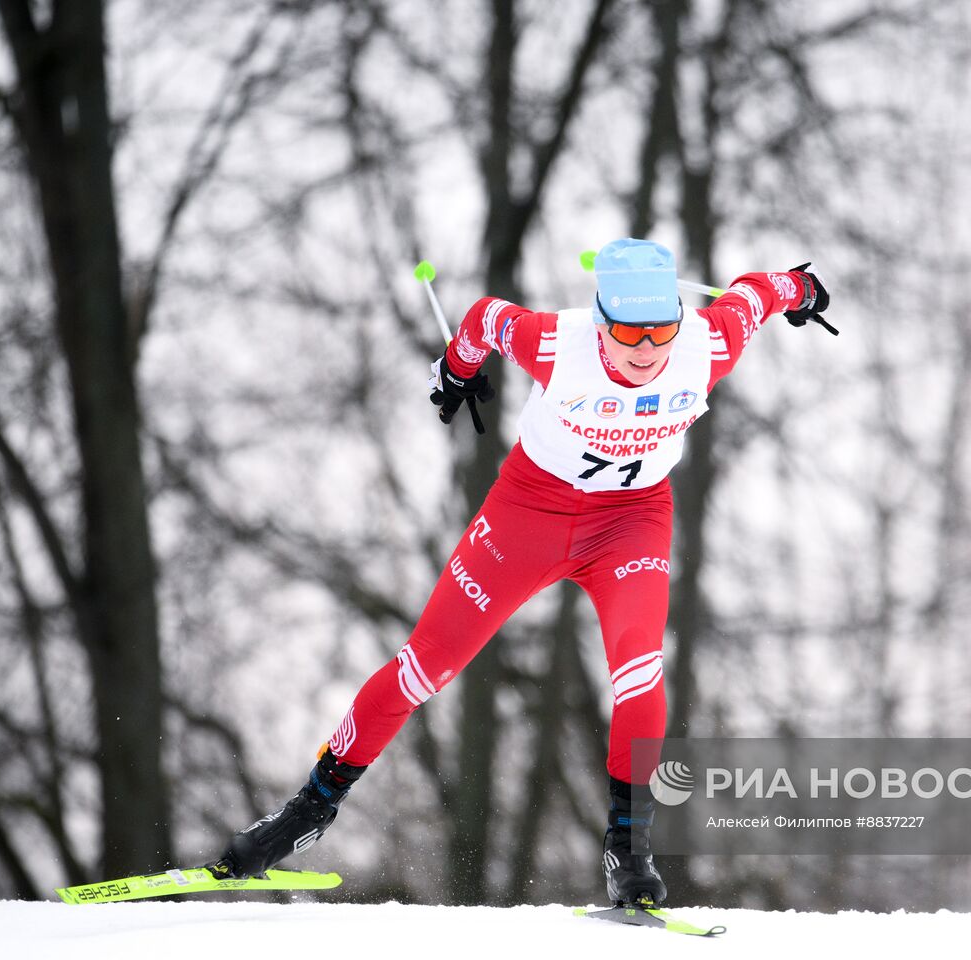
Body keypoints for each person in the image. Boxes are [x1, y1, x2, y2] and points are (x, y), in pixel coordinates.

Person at [212, 238, 834, 907]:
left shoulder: (708, 344)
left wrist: (802, 289)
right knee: (425, 667)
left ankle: (628, 852)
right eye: (628, 331)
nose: (647, 349)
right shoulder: (556, 345)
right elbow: (483, 317)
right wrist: (457, 367)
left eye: (660, 330)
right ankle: (307, 812)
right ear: (601, 324)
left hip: (631, 523)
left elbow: (761, 292)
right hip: (529, 517)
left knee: (639, 670)